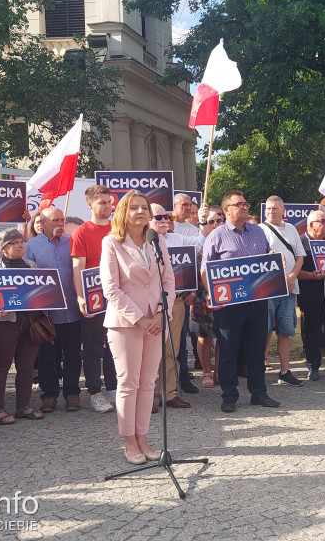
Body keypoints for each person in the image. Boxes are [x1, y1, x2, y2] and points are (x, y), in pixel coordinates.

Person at [100, 190, 173, 464]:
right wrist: (139, 318)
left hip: (156, 322)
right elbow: (111, 288)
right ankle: (129, 442)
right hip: (126, 324)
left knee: (148, 383)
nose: (140, 212)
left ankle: (143, 438)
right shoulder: (112, 243)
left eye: (144, 208)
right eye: (134, 208)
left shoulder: (158, 241)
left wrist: (160, 314)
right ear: (123, 212)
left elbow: (168, 282)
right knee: (128, 383)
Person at [201, 191, 279, 412]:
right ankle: (229, 395)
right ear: (226, 210)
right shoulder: (215, 236)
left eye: (246, 204)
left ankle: (259, 392)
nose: (245, 208)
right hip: (228, 305)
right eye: (239, 205)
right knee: (228, 349)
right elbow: (205, 271)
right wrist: (211, 294)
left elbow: (267, 257)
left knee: (256, 349)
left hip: (257, 300)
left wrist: (275, 259)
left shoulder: (258, 232)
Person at [26, 206, 84, 413]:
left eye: (61, 220)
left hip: (72, 310)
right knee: (47, 356)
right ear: (43, 222)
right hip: (46, 313)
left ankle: (72, 393)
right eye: (55, 221)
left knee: (73, 354)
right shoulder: (31, 246)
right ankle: (49, 395)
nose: (60, 224)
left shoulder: (72, 242)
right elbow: (28, 280)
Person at [0, 229, 45, 425]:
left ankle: (23, 406)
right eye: (15, 242)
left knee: (26, 367)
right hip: (3, 325)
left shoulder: (32, 266)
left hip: (29, 323)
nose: (21, 245)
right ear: (4, 248)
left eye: (22, 241)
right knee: (0, 367)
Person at [150, 203, 203, 408]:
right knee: (147, 351)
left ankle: (169, 393)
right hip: (147, 304)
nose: (165, 221)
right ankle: (145, 397)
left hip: (176, 302)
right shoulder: (135, 242)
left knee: (172, 349)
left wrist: (204, 222)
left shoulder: (177, 239)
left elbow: (201, 243)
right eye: (159, 217)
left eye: (167, 217)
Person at [70, 185, 117, 414]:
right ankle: (94, 392)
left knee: (115, 344)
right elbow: (78, 267)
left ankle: (113, 388)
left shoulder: (118, 229)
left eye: (109, 202)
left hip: (117, 295)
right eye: (102, 203)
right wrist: (80, 296)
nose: (107, 206)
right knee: (93, 346)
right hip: (93, 296)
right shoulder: (82, 232)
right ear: (90, 204)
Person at [261, 196, 307, 386]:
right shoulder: (259, 230)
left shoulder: (291, 229)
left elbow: (300, 257)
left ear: (283, 211)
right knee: (262, 331)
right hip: (267, 290)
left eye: (275, 208)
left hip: (289, 289)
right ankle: (258, 370)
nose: (271, 211)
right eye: (269, 208)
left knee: (285, 332)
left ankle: (285, 371)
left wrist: (291, 277)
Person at [297, 210, 325, 381]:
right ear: (311, 224)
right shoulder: (300, 244)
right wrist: (311, 276)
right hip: (310, 296)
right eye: (323, 221)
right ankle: (313, 366)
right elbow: (294, 272)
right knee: (312, 332)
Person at [192, 205, 224, 388]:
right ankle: (206, 371)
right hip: (203, 293)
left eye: (218, 220)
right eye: (210, 221)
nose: (215, 224)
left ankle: (219, 371)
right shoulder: (199, 242)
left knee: (222, 334)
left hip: (225, 291)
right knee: (204, 335)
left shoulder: (230, 237)